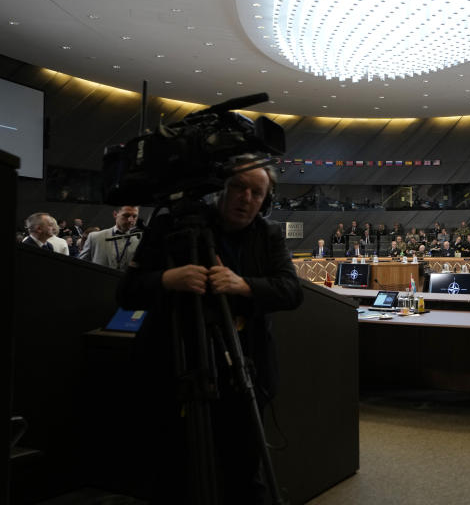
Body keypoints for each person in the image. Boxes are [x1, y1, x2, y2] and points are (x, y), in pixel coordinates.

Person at [116, 166, 302, 504]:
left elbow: (291, 291)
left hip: (243, 370)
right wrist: (167, 279)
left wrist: (243, 285)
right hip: (175, 367)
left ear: (266, 200)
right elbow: (127, 293)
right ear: (221, 188)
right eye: (239, 187)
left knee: (244, 471)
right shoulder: (172, 226)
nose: (246, 199)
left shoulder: (267, 234)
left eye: (256, 193)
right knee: (173, 472)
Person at [79, 206, 141, 270]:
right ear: (115, 214)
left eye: (134, 216)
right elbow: (80, 265)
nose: (131, 220)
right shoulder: (95, 237)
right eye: (126, 215)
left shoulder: (139, 241)